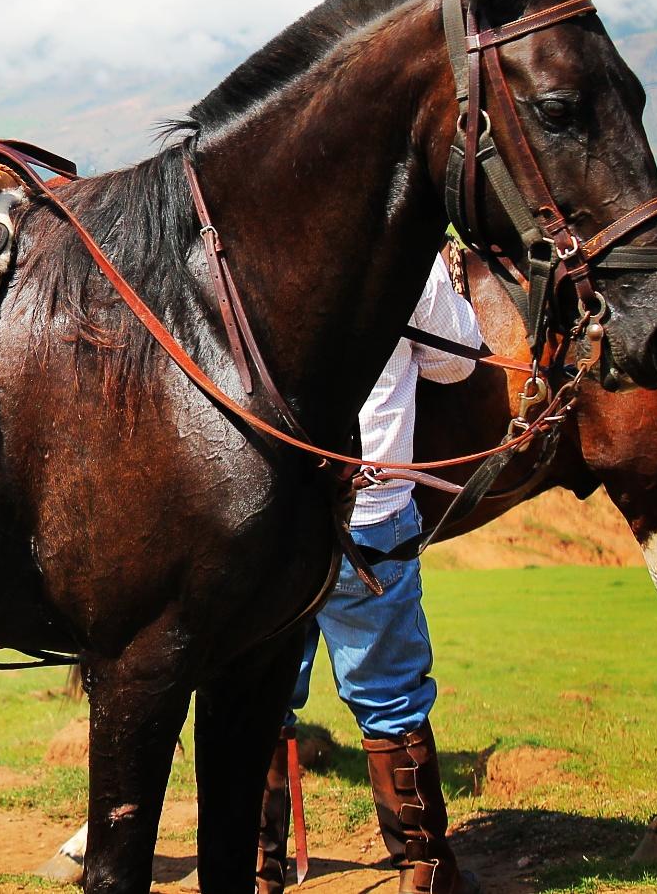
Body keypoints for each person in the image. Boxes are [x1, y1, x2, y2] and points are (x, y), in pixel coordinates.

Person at [259, 255, 484, 894]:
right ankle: (425, 867)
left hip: (270, 519)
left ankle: (258, 870)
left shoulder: (257, 221)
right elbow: (457, 361)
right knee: (391, 698)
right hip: (372, 517)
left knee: (262, 695)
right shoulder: (407, 262)